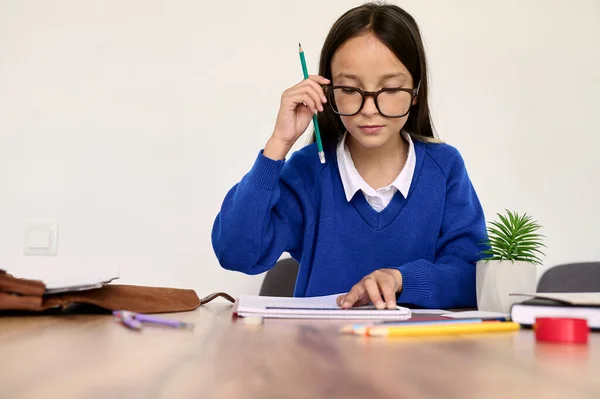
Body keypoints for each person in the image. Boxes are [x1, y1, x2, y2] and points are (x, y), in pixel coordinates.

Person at [211, 2, 487, 309]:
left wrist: (401, 280)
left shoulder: (444, 168)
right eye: (351, 89)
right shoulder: (309, 171)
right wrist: (278, 144)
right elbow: (235, 252)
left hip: (416, 353)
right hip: (319, 353)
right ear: (327, 92)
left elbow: (471, 276)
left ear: (416, 91)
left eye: (391, 89)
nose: (369, 109)